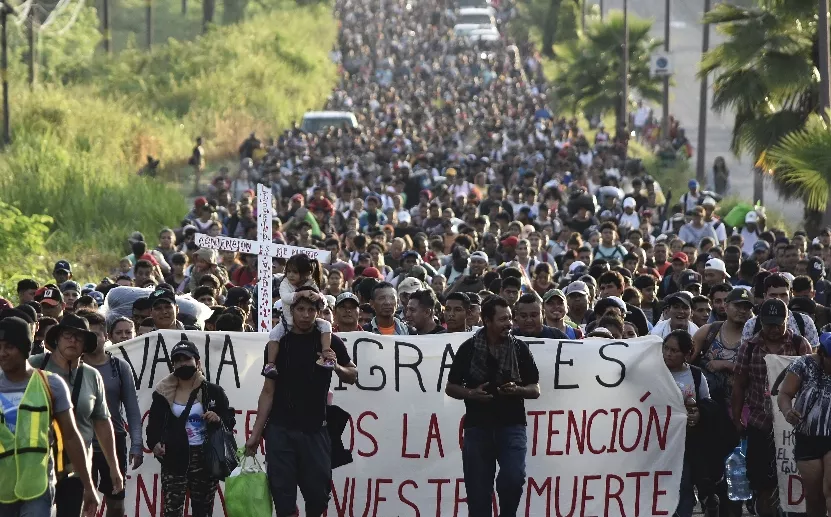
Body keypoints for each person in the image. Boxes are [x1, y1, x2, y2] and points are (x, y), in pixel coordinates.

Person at [244, 287, 357, 517]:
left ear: (319, 312)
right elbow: (268, 391)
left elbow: (352, 375)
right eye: (301, 309)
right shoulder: (278, 344)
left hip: (316, 431)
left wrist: (334, 365)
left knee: (318, 497)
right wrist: (255, 434)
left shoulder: (330, 341)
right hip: (280, 430)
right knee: (283, 498)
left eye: (311, 310)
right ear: (291, 310)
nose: (305, 315)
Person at [445, 296, 540, 517]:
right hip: (478, 428)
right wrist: (471, 394)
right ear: (487, 320)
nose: (509, 324)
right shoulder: (468, 349)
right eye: (503, 319)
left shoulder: (520, 349)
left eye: (510, 318)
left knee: (514, 479)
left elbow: (535, 388)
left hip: (512, 427)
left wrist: (519, 391)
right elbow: (451, 387)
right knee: (478, 496)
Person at [0, 317, 101, 517]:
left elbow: (71, 436)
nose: (2, 353)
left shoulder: (50, 385)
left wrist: (88, 486)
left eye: (9, 347)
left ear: (24, 348)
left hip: (38, 488)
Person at [28, 313, 124, 517]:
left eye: (79, 337)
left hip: (76, 465)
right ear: (56, 339)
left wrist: (113, 467)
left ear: (85, 345)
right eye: (68, 335)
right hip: (35, 462)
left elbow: (102, 423)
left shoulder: (92, 376)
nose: (73, 340)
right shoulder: (34, 366)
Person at [733, 299, 812, 517]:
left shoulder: (799, 345)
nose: (774, 329)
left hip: (793, 426)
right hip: (761, 423)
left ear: (786, 321)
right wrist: (737, 419)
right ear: (760, 322)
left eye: (778, 324)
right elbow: (739, 385)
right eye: (769, 324)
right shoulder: (748, 348)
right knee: (762, 484)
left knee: (796, 480)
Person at [146, 340, 235, 517]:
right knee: (172, 511)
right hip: (173, 459)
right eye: (177, 360)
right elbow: (153, 426)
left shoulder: (213, 391)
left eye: (186, 359)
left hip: (205, 459)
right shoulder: (161, 393)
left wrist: (217, 419)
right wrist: (155, 444)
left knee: (203, 511)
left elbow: (229, 420)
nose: (182, 364)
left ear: (197, 362)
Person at [77, 312, 143, 517]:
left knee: (116, 504)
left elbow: (132, 408)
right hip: (79, 443)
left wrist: (137, 444)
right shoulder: (72, 368)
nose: (92, 340)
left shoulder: (118, 367)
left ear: (106, 336)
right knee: (79, 503)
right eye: (87, 335)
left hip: (113, 443)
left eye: (96, 334)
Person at [662, 329, 721, 517]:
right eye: (666, 349)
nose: (668, 354)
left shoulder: (695, 375)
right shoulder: (654, 373)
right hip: (661, 441)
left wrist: (698, 414)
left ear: (687, 354)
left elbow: (707, 403)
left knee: (684, 482)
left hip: (689, 441)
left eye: (674, 350)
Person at [777, 332, 831, 517]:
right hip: (807, 437)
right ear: (823, 355)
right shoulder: (803, 364)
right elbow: (784, 394)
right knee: (814, 496)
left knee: (830, 489)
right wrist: (787, 411)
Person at [263, 255, 334, 379]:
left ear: (307, 273)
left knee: (326, 325)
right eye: (288, 271)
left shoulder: (311, 283)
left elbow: (322, 305)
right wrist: (300, 293)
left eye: (295, 272)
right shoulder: (285, 283)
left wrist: (319, 297)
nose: (290, 275)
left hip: (309, 323)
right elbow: (285, 297)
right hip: (288, 322)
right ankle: (270, 364)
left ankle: (326, 356)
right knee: (274, 335)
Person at [741, 273, 819, 347]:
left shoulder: (805, 322)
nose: (778, 299)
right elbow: (744, 356)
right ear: (765, 296)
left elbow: (812, 356)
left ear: (790, 296)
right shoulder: (752, 324)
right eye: (773, 295)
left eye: (783, 295)